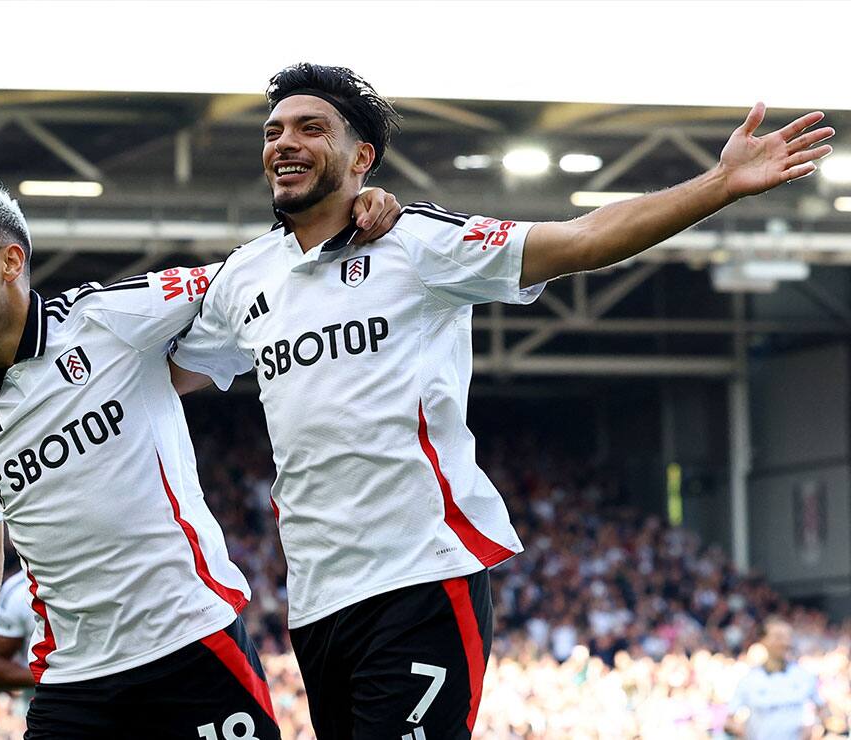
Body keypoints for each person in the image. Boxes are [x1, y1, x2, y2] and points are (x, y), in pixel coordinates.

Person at [161, 63, 835, 739]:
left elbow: (583, 239)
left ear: (362, 156)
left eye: (312, 128)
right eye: (274, 130)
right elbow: (166, 377)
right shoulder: (245, 277)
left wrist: (720, 184)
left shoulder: (418, 245)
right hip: (316, 600)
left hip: (421, 577)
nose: (285, 142)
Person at [0, 183, 400, 739]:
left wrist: (347, 212)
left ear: (11, 261)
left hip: (191, 649)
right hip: (74, 684)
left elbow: (249, 273)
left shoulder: (111, 319)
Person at [724, 616, 830, 739]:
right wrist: (740, 730)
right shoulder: (749, 680)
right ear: (763, 640)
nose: (784, 642)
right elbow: (729, 720)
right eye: (778, 637)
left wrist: (815, 726)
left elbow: (823, 710)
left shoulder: (803, 675)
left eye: (788, 637)